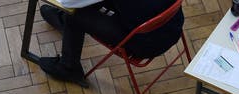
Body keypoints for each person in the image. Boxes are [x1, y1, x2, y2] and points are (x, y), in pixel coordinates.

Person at [38, 0, 184, 86]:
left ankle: (69, 68)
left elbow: (67, 2)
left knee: (75, 15)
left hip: (145, 43)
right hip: (172, 26)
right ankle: (67, 24)